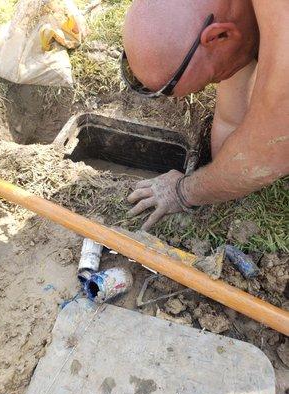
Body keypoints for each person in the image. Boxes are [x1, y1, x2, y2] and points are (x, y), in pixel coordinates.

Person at [122, 0, 289, 231]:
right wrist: (222, 174)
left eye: (211, 80)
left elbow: (271, 150)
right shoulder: (234, 20)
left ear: (218, 35)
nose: (218, 81)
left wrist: (183, 192)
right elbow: (231, 117)